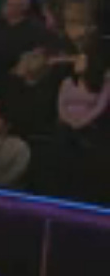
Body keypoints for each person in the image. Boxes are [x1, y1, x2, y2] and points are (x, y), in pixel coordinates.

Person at [54, 50, 109, 201]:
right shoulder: (67, 82)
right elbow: (61, 105)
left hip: (90, 125)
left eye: (81, 60)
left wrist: (81, 122)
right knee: (63, 134)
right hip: (67, 124)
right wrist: (70, 121)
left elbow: (100, 107)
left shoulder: (103, 83)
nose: (76, 63)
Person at [4, 49, 59, 138]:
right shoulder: (14, 85)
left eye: (21, 62)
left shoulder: (46, 89)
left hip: (38, 134)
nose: (17, 65)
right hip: (14, 133)